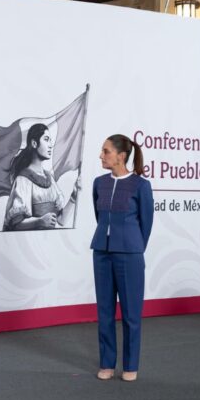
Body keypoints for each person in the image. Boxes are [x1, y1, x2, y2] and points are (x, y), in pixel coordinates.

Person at [90, 134, 154, 382]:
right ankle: (107, 363)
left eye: (106, 151)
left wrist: (133, 247)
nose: (101, 155)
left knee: (131, 313)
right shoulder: (99, 183)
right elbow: (99, 216)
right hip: (101, 253)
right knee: (105, 311)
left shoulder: (140, 186)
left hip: (130, 255)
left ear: (121, 156)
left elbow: (146, 224)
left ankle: (130, 365)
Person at [2, 123, 79, 231]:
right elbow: (15, 225)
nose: (50, 145)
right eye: (46, 139)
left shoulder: (49, 178)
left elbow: (61, 220)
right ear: (34, 143)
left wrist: (73, 197)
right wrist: (39, 221)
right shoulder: (23, 179)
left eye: (50, 140)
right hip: (31, 240)